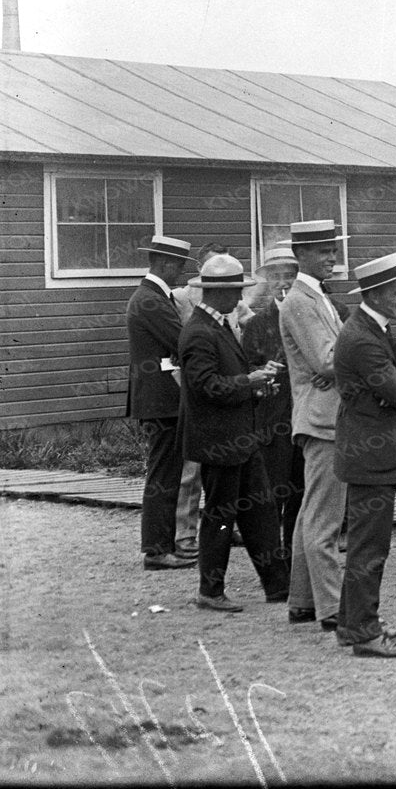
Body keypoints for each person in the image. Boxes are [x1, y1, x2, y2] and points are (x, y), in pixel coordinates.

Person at [333, 252, 396, 657]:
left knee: (366, 545)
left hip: (368, 452)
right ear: (374, 294)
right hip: (370, 456)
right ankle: (363, 632)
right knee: (369, 548)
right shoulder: (362, 337)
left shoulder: (368, 327)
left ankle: (353, 624)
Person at [178, 252, 290, 612]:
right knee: (220, 516)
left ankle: (279, 586)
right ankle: (210, 591)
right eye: (235, 290)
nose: (240, 297)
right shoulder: (198, 332)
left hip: (241, 438)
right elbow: (205, 387)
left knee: (261, 512)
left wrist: (256, 385)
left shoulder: (219, 325)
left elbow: (223, 381)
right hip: (220, 442)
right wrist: (250, 380)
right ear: (218, 292)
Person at [280, 219, 348, 631]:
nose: (332, 257)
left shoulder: (316, 297)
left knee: (311, 512)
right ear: (300, 254)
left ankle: (303, 602)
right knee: (325, 518)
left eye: (333, 249)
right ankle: (332, 607)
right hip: (322, 417)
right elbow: (325, 361)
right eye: (324, 251)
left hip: (323, 412)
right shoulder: (301, 301)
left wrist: (334, 361)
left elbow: (328, 359)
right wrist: (354, 350)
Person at [127, 235, 196, 571]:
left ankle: (162, 545)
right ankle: (156, 550)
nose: (180, 274)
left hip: (161, 398)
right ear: (167, 264)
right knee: (163, 475)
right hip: (161, 401)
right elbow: (182, 341)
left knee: (166, 473)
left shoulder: (152, 297)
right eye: (180, 267)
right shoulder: (151, 300)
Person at [240, 244, 300, 562]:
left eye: (289, 276)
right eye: (276, 277)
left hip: (308, 418)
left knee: (302, 495)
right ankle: (271, 560)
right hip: (272, 420)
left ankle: (296, 557)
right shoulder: (257, 325)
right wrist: (260, 374)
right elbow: (245, 370)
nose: (283, 283)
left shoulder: (314, 314)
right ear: (268, 282)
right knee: (273, 491)